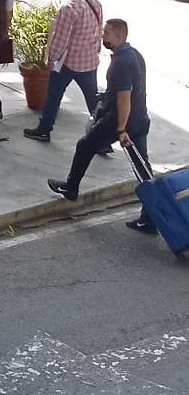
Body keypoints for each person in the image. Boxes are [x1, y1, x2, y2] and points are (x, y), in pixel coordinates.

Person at [47, 19, 153, 234]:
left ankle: (71, 188)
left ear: (119, 37)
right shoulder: (135, 55)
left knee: (85, 145)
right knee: (143, 169)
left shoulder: (120, 63)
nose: (102, 36)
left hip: (121, 120)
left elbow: (124, 98)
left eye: (106, 33)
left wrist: (122, 129)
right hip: (140, 118)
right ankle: (151, 217)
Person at [24, 0, 102, 142]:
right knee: (93, 101)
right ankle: (101, 138)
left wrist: (51, 60)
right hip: (89, 61)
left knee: (53, 95)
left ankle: (44, 130)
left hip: (69, 62)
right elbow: (99, 30)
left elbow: (61, 39)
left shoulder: (69, 8)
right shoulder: (95, 2)